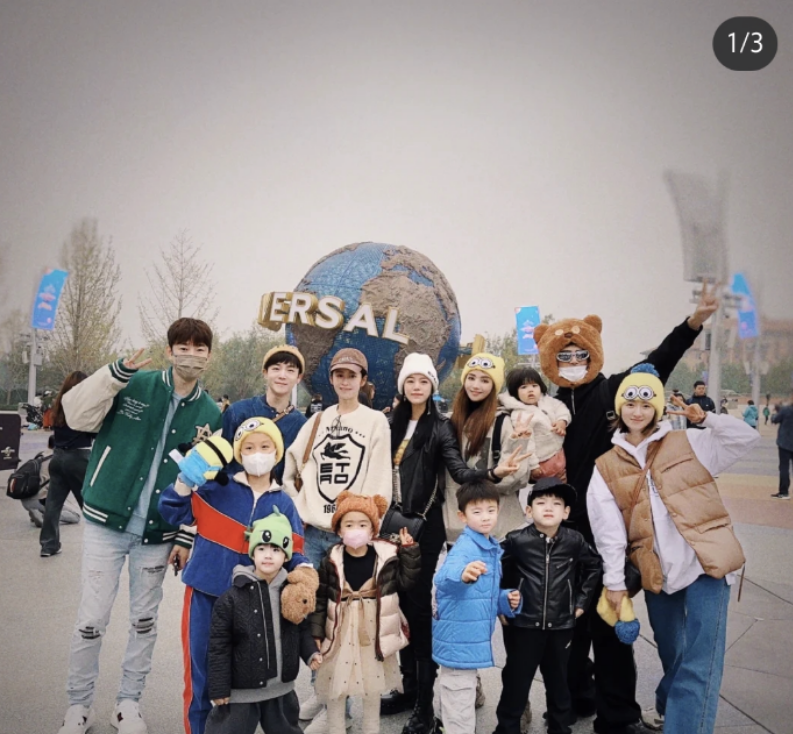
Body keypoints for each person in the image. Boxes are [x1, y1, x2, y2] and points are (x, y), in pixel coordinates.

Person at [531, 282, 719, 734]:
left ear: (593, 353)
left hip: (606, 532)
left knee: (610, 624)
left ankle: (617, 714)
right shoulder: (543, 405)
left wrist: (692, 324)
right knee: (564, 627)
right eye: (563, 357)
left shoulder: (612, 391)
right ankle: (574, 699)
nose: (572, 363)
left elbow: (658, 363)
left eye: (580, 355)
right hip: (556, 532)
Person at [56, 318, 222, 734]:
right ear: (169, 351)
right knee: (91, 619)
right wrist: (113, 375)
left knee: (144, 621)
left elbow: (203, 484)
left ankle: (128, 702)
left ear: (208, 356)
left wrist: (185, 534)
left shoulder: (209, 414)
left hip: (157, 533)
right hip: (106, 523)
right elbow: (75, 414)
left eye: (200, 348)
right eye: (183, 346)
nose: (191, 354)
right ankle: (78, 705)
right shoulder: (133, 385)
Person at [587, 365, 760, 734]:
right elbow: (609, 533)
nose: (637, 411)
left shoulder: (691, 442)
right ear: (619, 408)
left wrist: (707, 418)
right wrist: (615, 583)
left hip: (707, 564)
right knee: (673, 652)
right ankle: (671, 701)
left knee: (700, 661)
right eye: (630, 403)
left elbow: (746, 438)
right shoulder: (606, 467)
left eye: (646, 403)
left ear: (658, 407)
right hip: (657, 573)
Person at [382, 353, 527, 733]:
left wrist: (493, 472)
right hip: (388, 527)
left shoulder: (440, 426)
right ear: (402, 386)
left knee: (419, 611)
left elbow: (459, 471)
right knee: (396, 606)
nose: (417, 387)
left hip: (424, 526)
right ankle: (408, 688)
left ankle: (424, 705)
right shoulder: (388, 423)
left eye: (424, 381)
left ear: (432, 386)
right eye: (410, 380)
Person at [159, 417, 317, 734]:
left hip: (254, 605)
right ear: (238, 453)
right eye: (248, 447)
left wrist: (304, 571)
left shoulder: (284, 503)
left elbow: (294, 551)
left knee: (246, 681)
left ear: (277, 452)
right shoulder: (216, 489)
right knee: (202, 675)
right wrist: (183, 481)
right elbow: (171, 511)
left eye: (265, 446)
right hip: (205, 595)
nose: (257, 453)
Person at [283, 347, 392, 732]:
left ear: (363, 380)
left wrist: (365, 528)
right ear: (331, 379)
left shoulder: (375, 421)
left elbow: (380, 480)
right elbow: (291, 465)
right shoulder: (318, 420)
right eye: (339, 375)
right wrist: (299, 504)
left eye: (352, 375)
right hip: (314, 533)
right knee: (317, 621)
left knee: (346, 622)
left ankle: (341, 710)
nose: (345, 381)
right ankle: (324, 693)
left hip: (351, 538)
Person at [496, 478, 601, 734]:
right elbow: (496, 571)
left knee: (559, 684)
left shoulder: (574, 540)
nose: (548, 508)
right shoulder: (516, 541)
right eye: (541, 502)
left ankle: (559, 728)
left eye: (556, 504)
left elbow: (593, 566)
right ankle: (507, 729)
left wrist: (580, 602)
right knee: (516, 682)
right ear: (528, 510)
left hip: (561, 626)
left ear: (566, 512)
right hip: (524, 625)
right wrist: (501, 603)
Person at [309, 492, 421, 734]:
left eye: (362, 524)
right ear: (339, 529)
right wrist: (316, 633)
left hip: (374, 628)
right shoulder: (331, 559)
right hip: (339, 628)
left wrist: (409, 551)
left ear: (373, 529)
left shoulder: (386, 556)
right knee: (336, 684)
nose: (356, 530)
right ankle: (336, 728)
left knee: (373, 686)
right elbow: (321, 598)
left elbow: (405, 582)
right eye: (349, 524)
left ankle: (372, 730)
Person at [204, 511, 322, 734]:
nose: (268, 555)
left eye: (276, 549)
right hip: (242, 692)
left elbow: (301, 628)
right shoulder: (231, 598)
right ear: (252, 553)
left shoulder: (291, 593)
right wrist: (219, 686)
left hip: (281, 689)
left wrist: (310, 653)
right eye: (262, 548)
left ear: (286, 556)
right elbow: (219, 645)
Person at [432, 479, 522, 734]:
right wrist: (462, 575)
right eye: (477, 511)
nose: (485, 517)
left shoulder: (488, 546)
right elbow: (443, 579)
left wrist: (505, 599)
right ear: (462, 516)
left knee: (457, 698)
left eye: (491, 510)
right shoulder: (466, 548)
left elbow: (484, 593)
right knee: (460, 702)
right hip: (458, 641)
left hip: (465, 639)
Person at [444, 353, 536, 544]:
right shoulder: (449, 422)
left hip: (497, 530)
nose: (476, 385)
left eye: (485, 380)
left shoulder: (505, 422)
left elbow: (513, 479)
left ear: (494, 386)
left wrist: (517, 443)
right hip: (457, 528)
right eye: (471, 378)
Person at [222, 345, 307, 481]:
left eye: (290, 370)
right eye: (276, 369)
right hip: (235, 490)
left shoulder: (302, 425)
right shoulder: (237, 412)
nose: (282, 375)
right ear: (265, 373)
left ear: (299, 377)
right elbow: (222, 462)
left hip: (278, 493)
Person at [39, 371, 95, 558]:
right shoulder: (84, 407)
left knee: (53, 504)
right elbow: (94, 432)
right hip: (79, 458)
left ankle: (48, 546)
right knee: (89, 504)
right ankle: (96, 545)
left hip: (57, 457)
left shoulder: (59, 405)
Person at [499, 366, 572, 481]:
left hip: (558, 452)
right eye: (524, 387)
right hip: (542, 460)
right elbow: (526, 443)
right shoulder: (520, 415)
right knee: (548, 486)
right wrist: (533, 466)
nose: (530, 390)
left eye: (534, 385)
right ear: (515, 392)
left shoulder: (546, 400)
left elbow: (561, 408)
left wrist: (562, 421)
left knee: (562, 480)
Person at [771, 396, 793, 499]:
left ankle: (784, 492)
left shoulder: (786, 410)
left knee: (784, 467)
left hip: (785, 443)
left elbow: (775, 419)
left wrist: (775, 414)